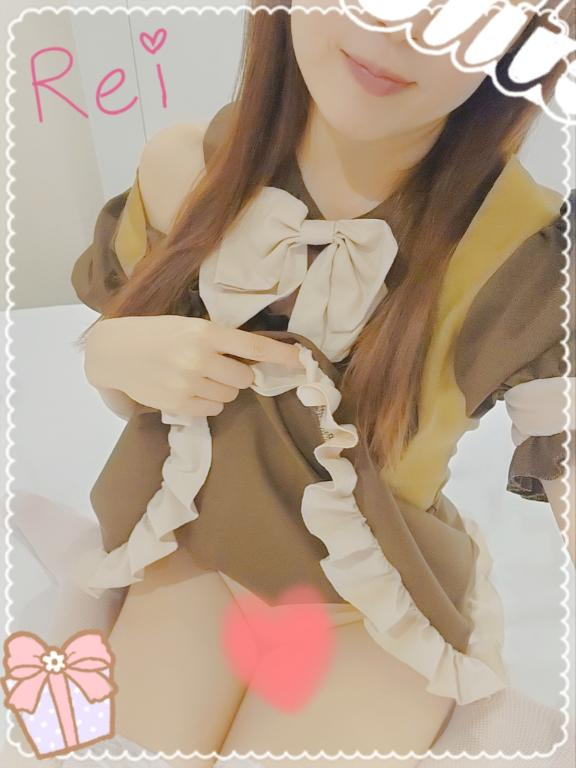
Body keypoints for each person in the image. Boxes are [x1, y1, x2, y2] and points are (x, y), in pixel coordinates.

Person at [51, 1, 576, 766]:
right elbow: (143, 394)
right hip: (196, 551)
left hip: (373, 607)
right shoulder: (187, 170)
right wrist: (108, 353)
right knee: (96, 750)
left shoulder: (526, 260)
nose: (398, 29)